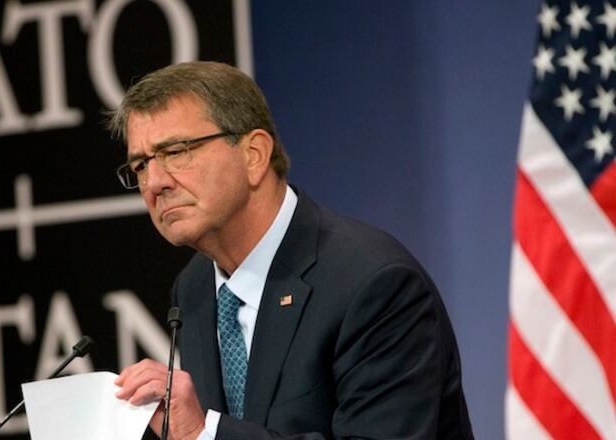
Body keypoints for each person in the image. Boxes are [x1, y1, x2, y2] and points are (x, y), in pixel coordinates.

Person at [108, 61, 474, 440]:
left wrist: (206, 434)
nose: (154, 183)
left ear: (254, 155)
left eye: (176, 151)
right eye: (140, 165)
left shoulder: (374, 284)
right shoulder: (194, 287)